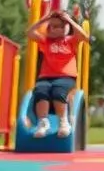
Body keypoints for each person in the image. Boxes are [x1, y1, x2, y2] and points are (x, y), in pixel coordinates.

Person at [27, 8, 90, 138]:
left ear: (67, 28)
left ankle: (63, 122)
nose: (56, 29)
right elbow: (29, 32)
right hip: (46, 76)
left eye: (60, 27)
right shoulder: (45, 41)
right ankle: (43, 122)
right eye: (53, 26)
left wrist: (69, 20)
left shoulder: (70, 41)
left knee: (58, 91)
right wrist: (44, 19)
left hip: (66, 77)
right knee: (41, 91)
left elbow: (84, 36)